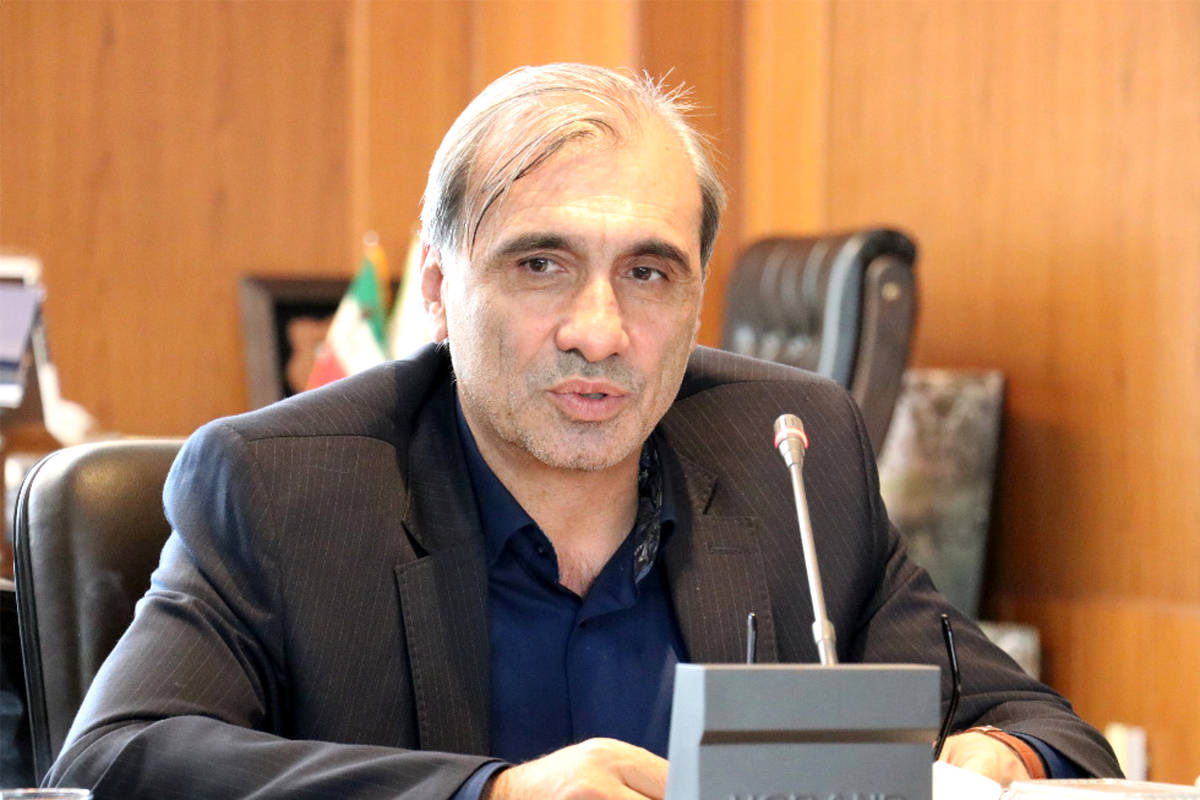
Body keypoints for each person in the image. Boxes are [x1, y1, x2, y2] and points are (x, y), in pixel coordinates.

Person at [47, 63, 1120, 799]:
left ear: (695, 297)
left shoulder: (789, 451)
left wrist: (990, 761)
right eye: (540, 264)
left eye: (648, 273)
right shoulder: (283, 488)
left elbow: (1051, 730)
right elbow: (111, 760)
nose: (599, 332)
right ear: (439, 288)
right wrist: (493, 792)